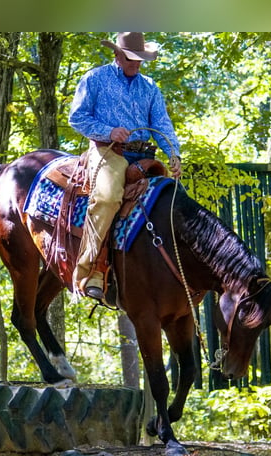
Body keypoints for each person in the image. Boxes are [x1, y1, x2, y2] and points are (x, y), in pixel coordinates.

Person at [69, 32, 182, 302]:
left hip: (143, 155)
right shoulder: (94, 79)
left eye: (140, 60)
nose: (136, 64)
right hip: (108, 151)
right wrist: (109, 131)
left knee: (172, 199)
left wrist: (173, 154)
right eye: (132, 59)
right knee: (107, 198)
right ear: (117, 55)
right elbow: (77, 118)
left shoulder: (150, 87)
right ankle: (86, 272)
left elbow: (162, 124)